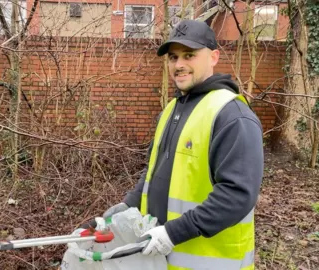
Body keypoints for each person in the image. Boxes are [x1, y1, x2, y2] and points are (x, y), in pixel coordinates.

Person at [103, 20, 263, 269]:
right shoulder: (171, 110)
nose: (179, 65)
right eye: (173, 57)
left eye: (189, 55)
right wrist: (128, 204)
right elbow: (154, 172)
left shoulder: (231, 115)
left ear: (213, 57)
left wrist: (172, 233)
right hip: (163, 260)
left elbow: (237, 194)